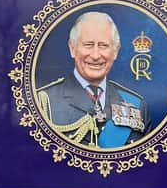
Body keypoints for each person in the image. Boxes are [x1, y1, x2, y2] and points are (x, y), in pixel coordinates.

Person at [37, 11, 151, 149]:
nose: (96, 55)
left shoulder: (138, 106)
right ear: (72, 48)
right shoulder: (44, 102)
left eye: (103, 45)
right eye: (88, 45)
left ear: (115, 51)